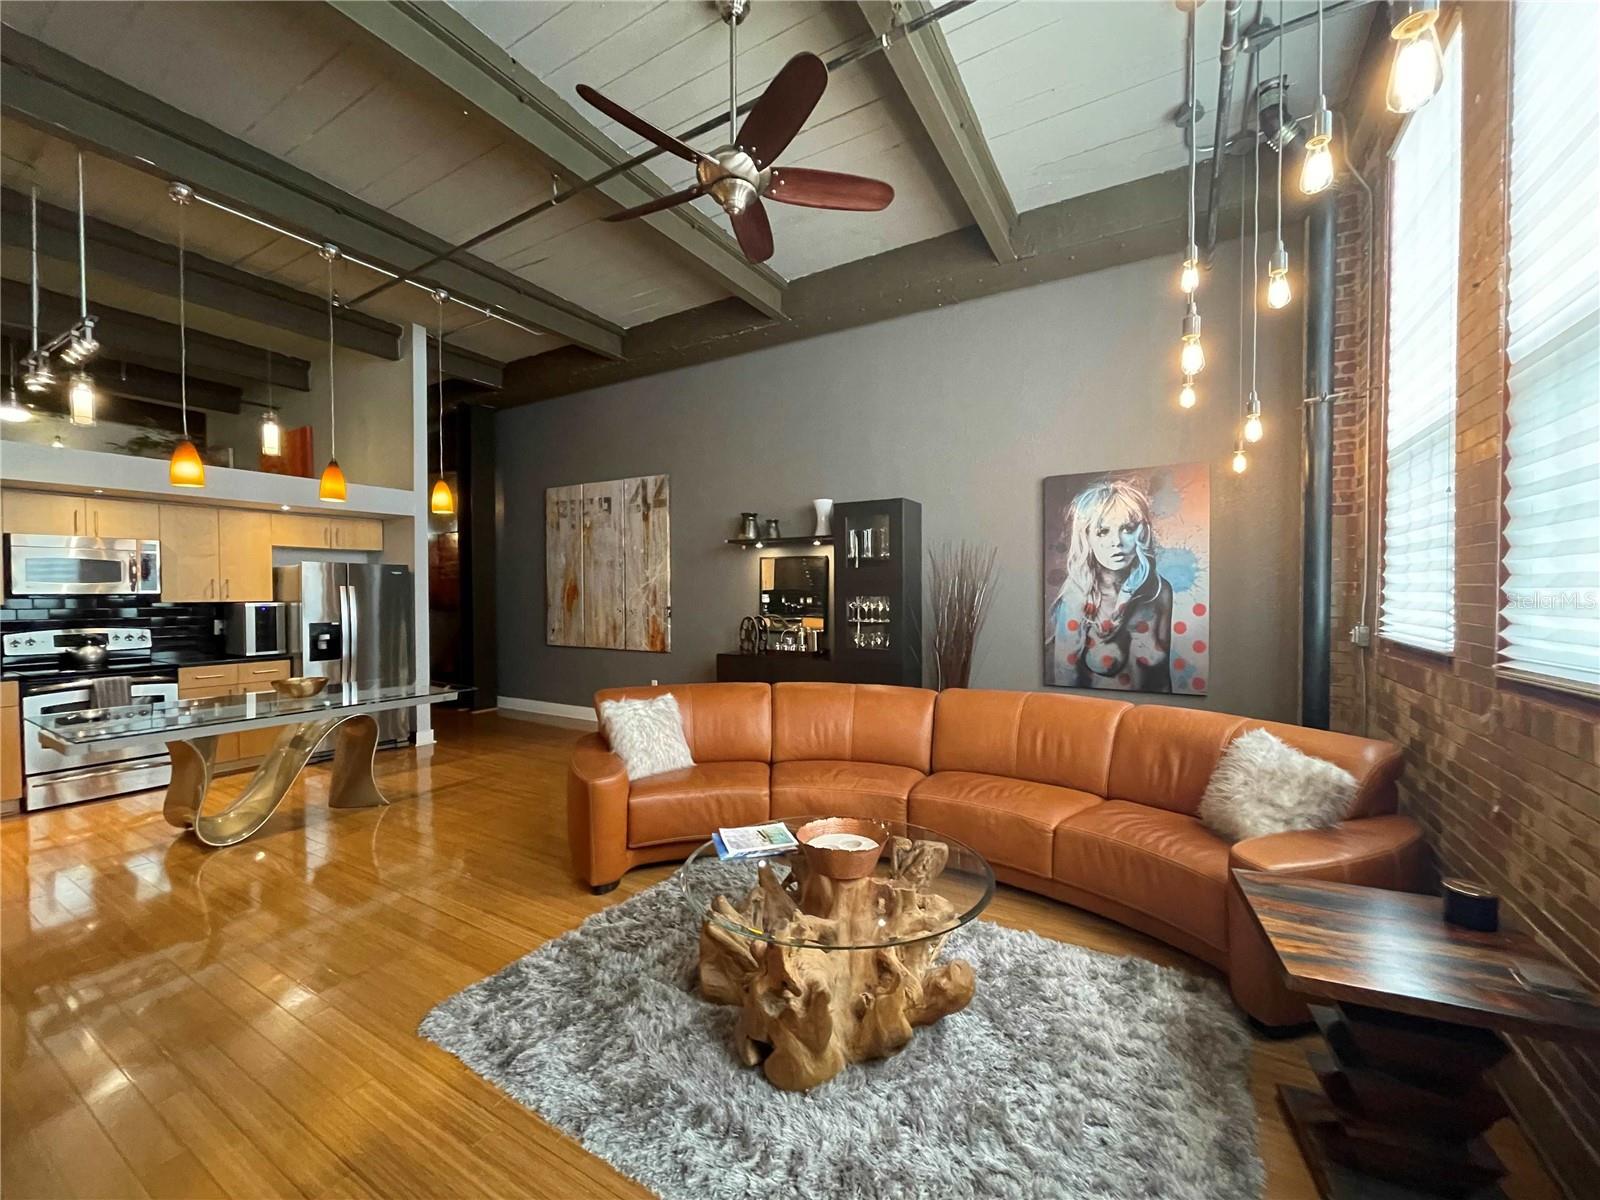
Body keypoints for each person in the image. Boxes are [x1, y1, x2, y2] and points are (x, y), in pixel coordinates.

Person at [1046, 477, 1173, 692]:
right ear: (1087, 537)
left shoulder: (1160, 592)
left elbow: (1162, 680)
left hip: (1148, 713)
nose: (1117, 542)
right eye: (1103, 531)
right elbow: (1065, 680)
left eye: (1128, 529)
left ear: (1142, 532)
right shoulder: (1077, 597)